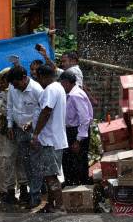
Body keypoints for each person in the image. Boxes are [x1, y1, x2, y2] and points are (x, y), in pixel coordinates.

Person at [30, 64, 68, 213]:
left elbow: (46, 111)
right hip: (53, 139)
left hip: (49, 140)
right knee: (48, 175)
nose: (38, 81)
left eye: (38, 78)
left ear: (42, 77)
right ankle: (51, 205)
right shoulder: (58, 87)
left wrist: (35, 134)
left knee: (51, 176)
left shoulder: (51, 89)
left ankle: (59, 206)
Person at [6, 65, 44, 207]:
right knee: (26, 164)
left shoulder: (37, 90)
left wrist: (32, 124)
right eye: (13, 85)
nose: (15, 88)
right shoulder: (12, 87)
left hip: (34, 131)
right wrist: (10, 125)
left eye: (16, 84)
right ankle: (33, 193)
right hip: (19, 130)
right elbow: (10, 106)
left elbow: (42, 111)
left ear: (24, 78)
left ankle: (36, 197)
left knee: (35, 164)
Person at [0, 70, 26, 204]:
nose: (3, 83)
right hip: (0, 134)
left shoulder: (15, 93)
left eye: (6, 80)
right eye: (1, 80)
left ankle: (22, 190)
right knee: (4, 163)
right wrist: (10, 116)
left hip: (15, 133)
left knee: (19, 161)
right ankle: (4, 191)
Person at [60, 71, 93, 186]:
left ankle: (79, 186)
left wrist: (78, 140)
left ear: (66, 83)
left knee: (77, 160)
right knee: (69, 159)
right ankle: (71, 182)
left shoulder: (75, 95)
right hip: (72, 130)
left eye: (62, 83)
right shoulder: (71, 94)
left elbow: (85, 118)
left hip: (77, 131)